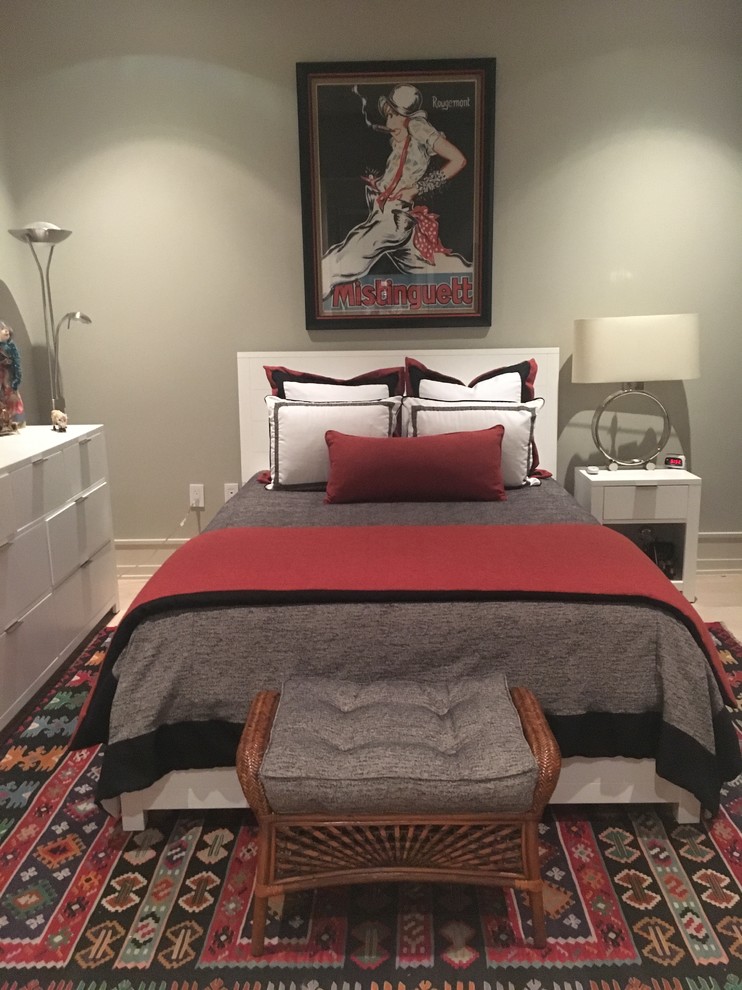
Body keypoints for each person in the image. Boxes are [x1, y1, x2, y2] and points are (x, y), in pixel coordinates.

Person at [321, 84, 472, 300]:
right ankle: (469, 278)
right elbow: (402, 172)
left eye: (393, 115)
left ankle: (316, 290)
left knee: (344, 259)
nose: (388, 122)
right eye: (387, 115)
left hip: (394, 217)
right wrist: (379, 184)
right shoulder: (402, 140)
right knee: (437, 267)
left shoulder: (417, 127)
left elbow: (458, 160)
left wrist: (416, 189)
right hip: (388, 213)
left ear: (408, 118)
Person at [0, 321, 23, 431]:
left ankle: (14, 424)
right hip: (3, 381)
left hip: (9, 381)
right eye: (1, 329)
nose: (5, 330)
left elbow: (16, 365)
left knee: (13, 400)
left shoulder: (11, 348)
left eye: (5, 328)